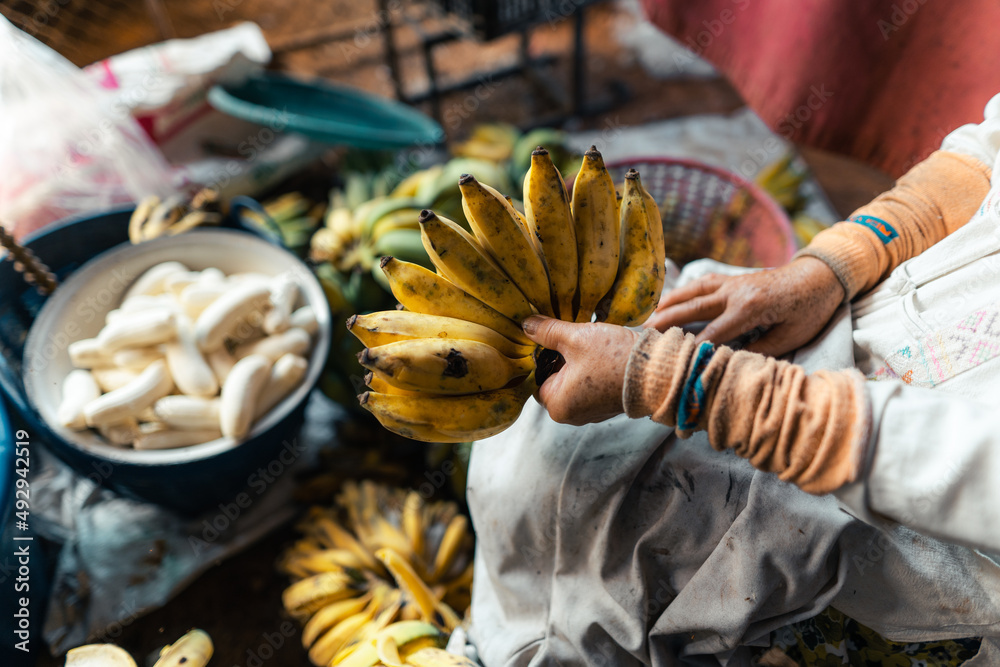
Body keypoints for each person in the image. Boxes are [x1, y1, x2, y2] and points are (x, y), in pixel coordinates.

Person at [465, 97, 1000, 666]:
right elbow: (984, 155)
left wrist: (682, 381)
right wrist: (832, 266)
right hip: (842, 334)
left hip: (914, 562)